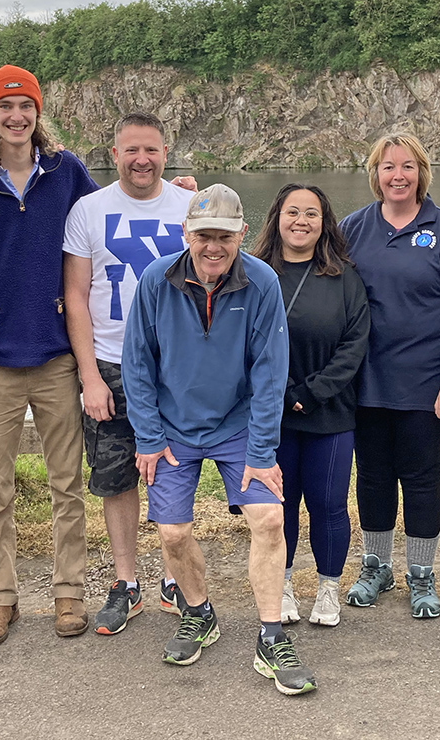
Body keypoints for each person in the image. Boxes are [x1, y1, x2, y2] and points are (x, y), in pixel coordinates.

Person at [122, 183, 317, 695]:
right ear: (185, 233)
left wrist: (260, 451)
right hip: (172, 428)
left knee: (271, 518)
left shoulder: (262, 282)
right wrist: (147, 437)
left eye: (225, 237)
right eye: (203, 235)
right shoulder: (155, 279)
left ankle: (271, 635)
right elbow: (137, 363)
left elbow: (271, 371)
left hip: (238, 425)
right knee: (172, 534)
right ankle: (199, 612)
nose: (214, 247)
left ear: (242, 235)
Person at [0, 65, 99, 644]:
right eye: (5, 108)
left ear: (39, 112)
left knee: (68, 482)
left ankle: (69, 594)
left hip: (57, 351)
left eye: (26, 107)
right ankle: (0, 597)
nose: (17, 117)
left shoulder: (66, 172)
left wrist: (175, 195)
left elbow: (107, 218)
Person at [341, 132, 440, 619]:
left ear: (422, 172)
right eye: (387, 167)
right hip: (365, 382)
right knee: (373, 478)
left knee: (421, 479)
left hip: (425, 384)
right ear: (374, 174)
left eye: (407, 166)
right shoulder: (353, 228)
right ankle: (375, 566)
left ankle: (421, 574)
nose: (397, 175)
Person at [63, 112, 191, 634]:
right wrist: (89, 377)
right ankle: (126, 581)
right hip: (112, 363)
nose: (142, 160)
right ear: (113, 154)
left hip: (176, 363)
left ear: (166, 152)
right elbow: (74, 295)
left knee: (175, 469)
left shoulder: (190, 206)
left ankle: (175, 577)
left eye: (152, 150)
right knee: (115, 475)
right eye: (131, 151)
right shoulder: (88, 211)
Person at [251, 184, 369, 628]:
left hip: (331, 412)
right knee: (278, 507)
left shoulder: (345, 278)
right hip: (269, 415)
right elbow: (242, 342)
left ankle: (327, 588)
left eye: (312, 214)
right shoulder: (254, 272)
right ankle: (280, 585)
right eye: (292, 212)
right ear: (277, 218)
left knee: (329, 504)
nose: (301, 221)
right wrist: (281, 394)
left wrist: (310, 392)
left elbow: (355, 344)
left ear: (325, 223)